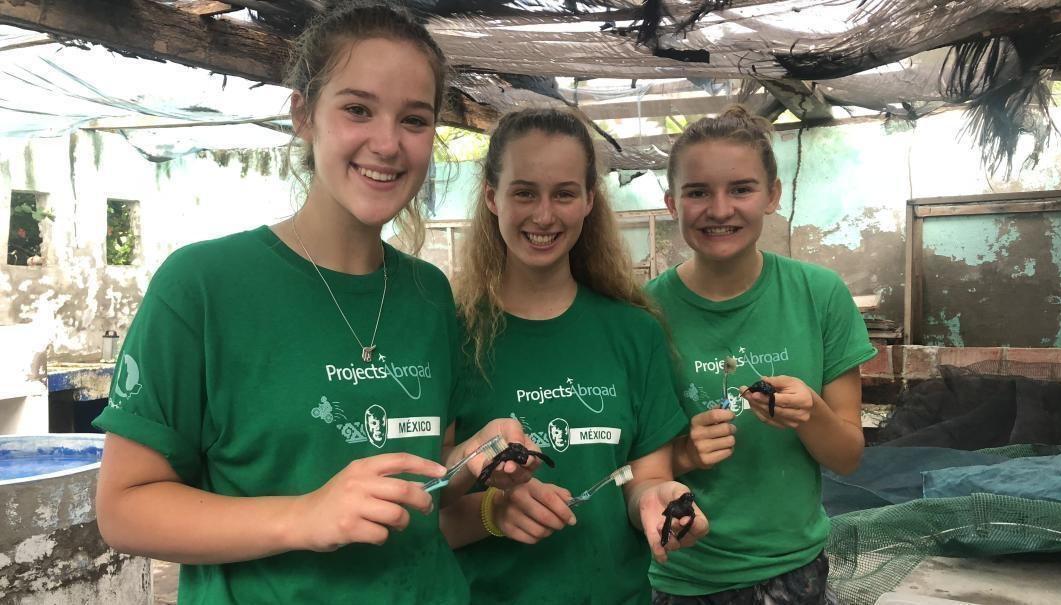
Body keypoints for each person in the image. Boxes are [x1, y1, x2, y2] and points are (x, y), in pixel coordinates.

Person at [92, 3, 529, 603]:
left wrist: (473, 462)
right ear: (304, 115)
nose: (387, 143)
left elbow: (420, 481)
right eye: (357, 109)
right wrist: (304, 516)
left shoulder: (428, 293)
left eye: (415, 120)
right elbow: (124, 509)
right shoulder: (202, 285)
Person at [438, 108, 709, 605]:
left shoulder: (634, 331)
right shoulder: (452, 334)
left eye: (563, 193)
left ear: (588, 200)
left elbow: (642, 476)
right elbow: (424, 511)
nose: (544, 215)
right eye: (524, 192)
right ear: (492, 197)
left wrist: (655, 499)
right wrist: (491, 511)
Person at [645, 105, 877, 605]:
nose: (720, 209)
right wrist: (684, 453)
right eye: (698, 192)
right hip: (685, 575)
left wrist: (810, 411)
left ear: (772, 195)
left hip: (794, 572)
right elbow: (632, 461)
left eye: (741, 189)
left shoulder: (819, 295)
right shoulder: (644, 312)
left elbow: (849, 455)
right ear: (671, 203)